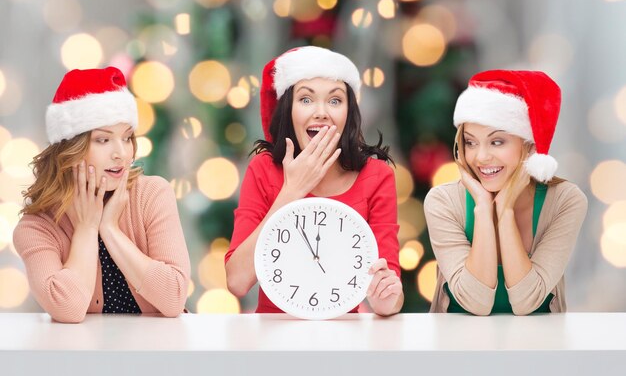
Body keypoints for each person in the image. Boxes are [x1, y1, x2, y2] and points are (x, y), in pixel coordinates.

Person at [225, 46, 403, 316]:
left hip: (346, 337)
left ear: (348, 112)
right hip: (272, 335)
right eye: (306, 100)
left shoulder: (376, 176)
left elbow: (389, 294)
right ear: (289, 109)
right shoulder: (263, 170)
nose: (321, 112)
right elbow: (237, 282)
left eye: (334, 101)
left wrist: (387, 297)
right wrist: (292, 190)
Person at [14, 67, 190, 323]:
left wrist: (110, 229)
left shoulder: (152, 194)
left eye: (127, 138)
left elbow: (174, 298)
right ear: (70, 149)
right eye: (103, 140)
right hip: (85, 358)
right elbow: (68, 310)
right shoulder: (37, 227)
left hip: (158, 352)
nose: (121, 153)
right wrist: (87, 227)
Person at [424, 70, 587, 315]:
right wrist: (482, 206)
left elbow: (526, 302)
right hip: (457, 346)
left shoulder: (565, 201)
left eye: (497, 142)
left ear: (529, 145)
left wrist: (505, 209)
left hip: (540, 346)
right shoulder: (443, 202)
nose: (480, 157)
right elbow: (476, 302)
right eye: (470, 142)